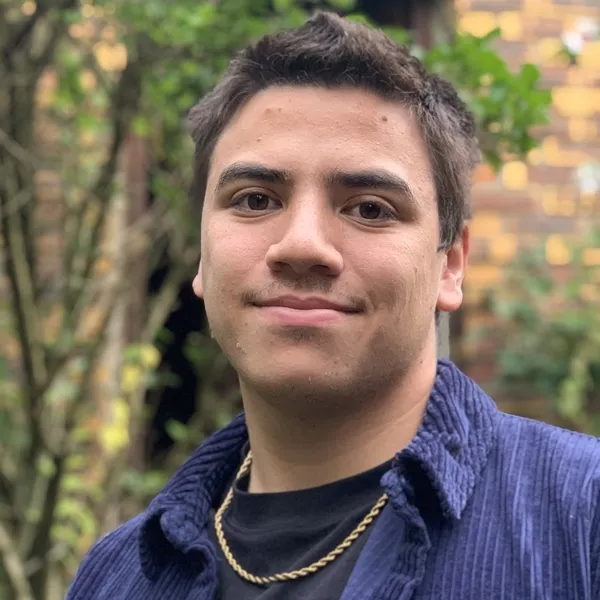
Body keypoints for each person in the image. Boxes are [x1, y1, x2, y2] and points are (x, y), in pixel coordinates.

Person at [67, 11, 600, 600]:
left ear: (450, 264)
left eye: (370, 208)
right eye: (254, 199)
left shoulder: (583, 521)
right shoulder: (116, 577)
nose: (301, 246)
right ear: (202, 254)